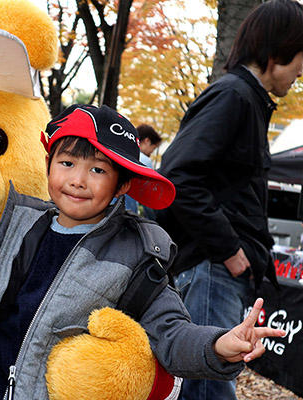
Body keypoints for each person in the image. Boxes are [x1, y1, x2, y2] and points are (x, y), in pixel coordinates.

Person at [0, 104, 285, 400]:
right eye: (67, 163)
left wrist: (219, 345)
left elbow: (169, 335)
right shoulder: (18, 229)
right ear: (48, 165)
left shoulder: (138, 254)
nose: (78, 179)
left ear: (123, 185)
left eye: (98, 169)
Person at [155, 1, 303, 399]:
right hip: (210, 270)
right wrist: (230, 250)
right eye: (300, 59)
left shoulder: (246, 99)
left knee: (211, 383)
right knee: (209, 389)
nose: (301, 71)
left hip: (217, 270)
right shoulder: (233, 96)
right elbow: (177, 178)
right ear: (278, 51)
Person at [124, 124, 162, 217]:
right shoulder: (145, 161)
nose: (151, 153)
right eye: (153, 148)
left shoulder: (123, 155)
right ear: (147, 141)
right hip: (128, 215)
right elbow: (148, 198)